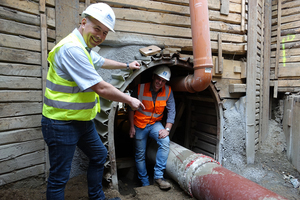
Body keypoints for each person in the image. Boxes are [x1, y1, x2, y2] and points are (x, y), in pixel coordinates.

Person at [41, 3, 145, 200]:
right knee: (59, 178)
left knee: (98, 156)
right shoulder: (72, 49)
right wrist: (129, 99)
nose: (100, 36)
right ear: (83, 22)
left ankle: (97, 198)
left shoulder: (85, 47)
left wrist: (127, 65)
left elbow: (100, 61)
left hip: (82, 122)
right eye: (97, 28)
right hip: (60, 123)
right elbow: (101, 88)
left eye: (105, 32)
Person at [128, 66, 176, 190]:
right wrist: (131, 126)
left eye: (163, 81)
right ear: (153, 77)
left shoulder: (168, 91)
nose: (160, 83)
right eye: (158, 79)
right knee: (140, 155)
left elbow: (172, 112)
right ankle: (144, 183)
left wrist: (167, 129)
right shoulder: (139, 88)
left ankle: (158, 177)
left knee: (165, 141)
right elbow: (130, 108)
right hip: (139, 124)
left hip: (155, 124)